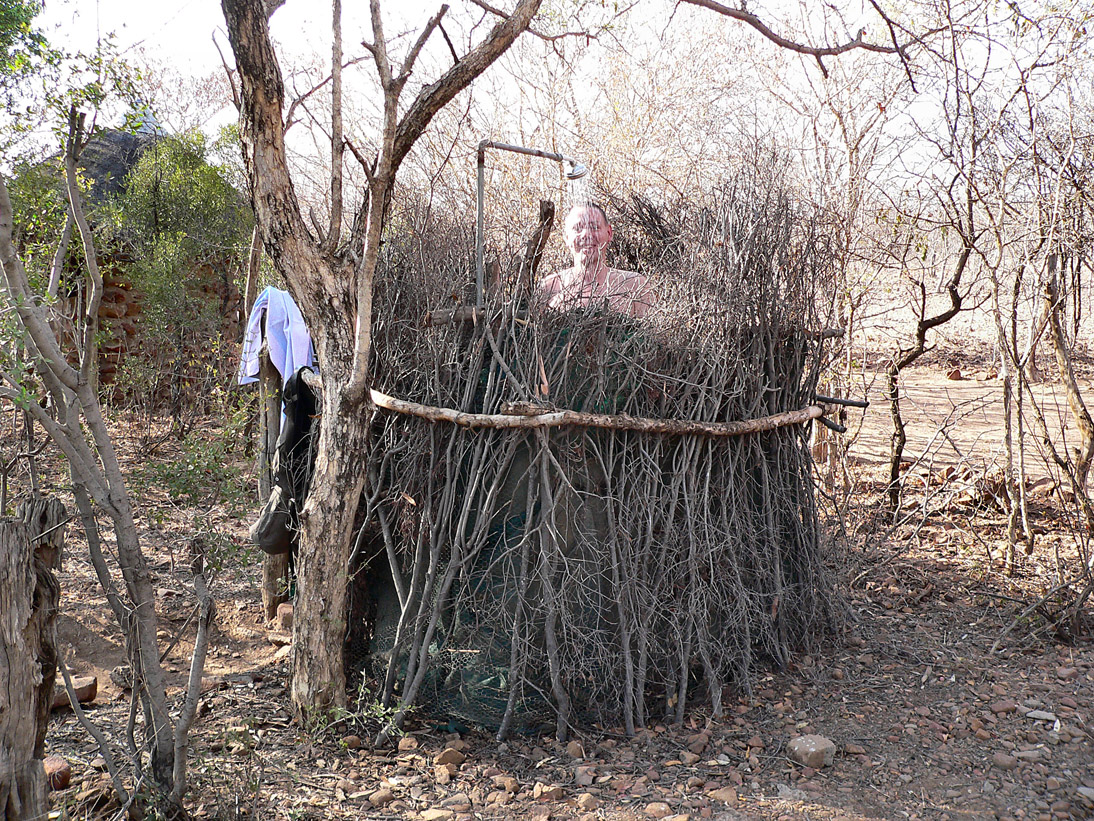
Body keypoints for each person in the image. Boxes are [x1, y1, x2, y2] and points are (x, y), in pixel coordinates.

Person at [538, 202, 653, 318]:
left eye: (594, 227)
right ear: (566, 237)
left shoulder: (636, 285)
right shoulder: (548, 288)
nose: (586, 234)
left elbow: (651, 334)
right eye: (577, 228)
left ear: (609, 233)